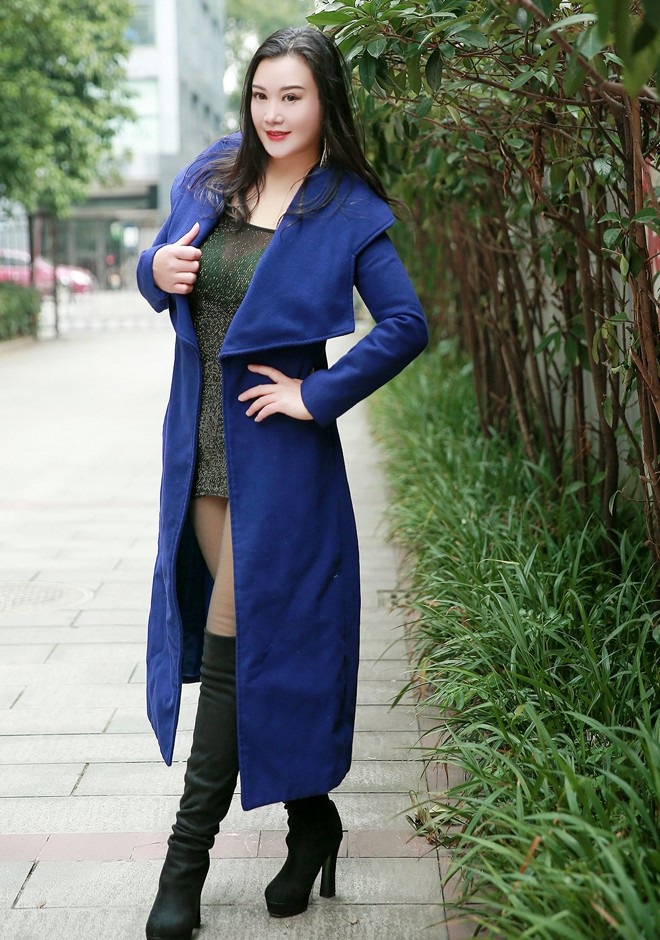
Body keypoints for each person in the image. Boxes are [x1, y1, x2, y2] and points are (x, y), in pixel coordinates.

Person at [137, 25, 428, 940]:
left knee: (232, 650)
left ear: (324, 101)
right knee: (254, 646)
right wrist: (154, 270)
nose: (273, 113)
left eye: (293, 96)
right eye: (262, 94)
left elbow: (405, 323)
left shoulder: (344, 207)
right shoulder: (214, 175)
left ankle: (182, 870)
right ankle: (314, 824)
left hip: (283, 468)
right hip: (202, 459)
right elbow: (163, 263)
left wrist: (317, 394)